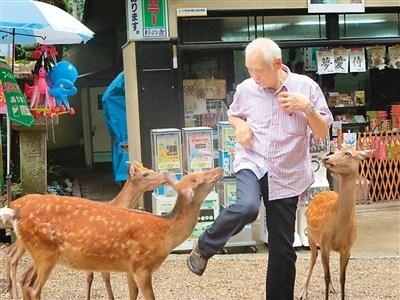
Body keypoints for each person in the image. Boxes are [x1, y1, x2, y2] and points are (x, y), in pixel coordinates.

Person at [187, 37, 333, 300]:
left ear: (277, 64)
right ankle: (204, 246)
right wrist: (240, 126)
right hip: (252, 161)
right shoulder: (246, 89)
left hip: (288, 173)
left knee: (282, 250)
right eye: (249, 69)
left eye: (258, 70)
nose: (253, 76)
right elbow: (233, 113)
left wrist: (307, 108)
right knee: (247, 207)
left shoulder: (306, 88)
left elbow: (322, 132)